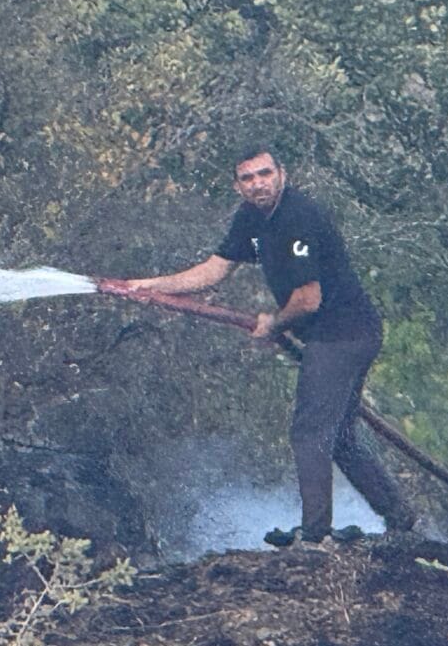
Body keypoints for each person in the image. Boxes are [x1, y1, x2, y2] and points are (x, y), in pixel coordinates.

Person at [103, 149, 413, 548]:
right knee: (338, 437)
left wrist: (273, 323)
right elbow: (214, 270)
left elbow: (308, 298)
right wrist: (151, 286)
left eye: (265, 174)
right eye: (248, 178)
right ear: (238, 186)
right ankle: (399, 517)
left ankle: (316, 536)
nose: (258, 183)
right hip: (329, 335)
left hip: (345, 334)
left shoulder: (299, 216)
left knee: (310, 431)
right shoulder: (251, 218)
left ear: (282, 174)